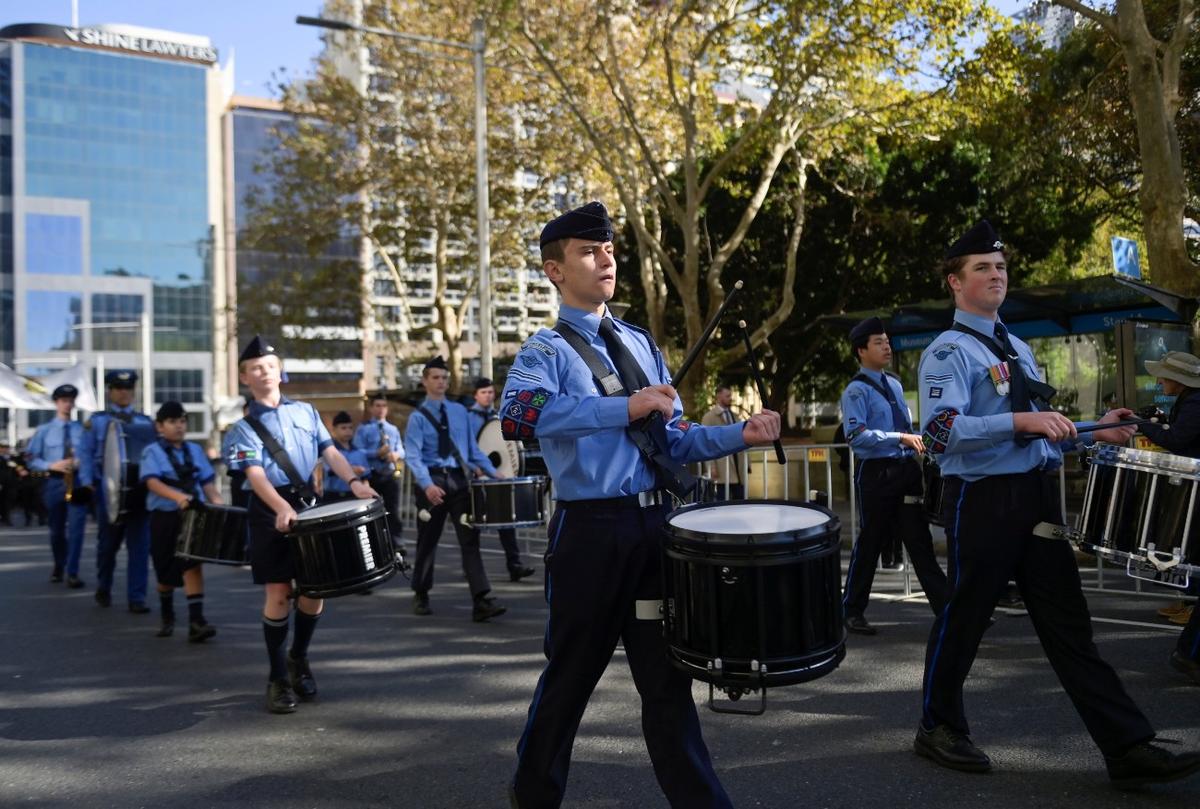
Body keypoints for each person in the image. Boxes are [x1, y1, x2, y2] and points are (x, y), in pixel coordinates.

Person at [503, 201, 782, 809]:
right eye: (587, 252)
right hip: (592, 533)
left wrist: (742, 435)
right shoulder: (545, 351)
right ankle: (535, 797)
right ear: (555, 270)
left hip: (657, 529)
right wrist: (621, 408)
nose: (604, 259)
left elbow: (675, 439)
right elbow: (519, 417)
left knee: (667, 684)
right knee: (570, 680)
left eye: (608, 251)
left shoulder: (639, 342)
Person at [914, 219, 1200, 786]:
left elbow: (1042, 433)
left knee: (1070, 626)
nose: (996, 275)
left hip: (1036, 499)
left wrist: (1097, 431)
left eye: (1000, 267)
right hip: (984, 499)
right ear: (955, 282)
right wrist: (1021, 418)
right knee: (965, 618)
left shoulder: (1016, 346)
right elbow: (941, 431)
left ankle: (1127, 747)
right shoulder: (946, 351)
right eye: (981, 268)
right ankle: (937, 726)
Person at [225, 335, 379, 714]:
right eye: (256, 368)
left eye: (270, 366)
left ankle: (299, 657)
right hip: (269, 508)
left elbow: (331, 454)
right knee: (278, 592)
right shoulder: (243, 428)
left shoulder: (307, 412)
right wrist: (279, 507)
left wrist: (356, 483)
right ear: (245, 377)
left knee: (315, 589)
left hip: (308, 504)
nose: (264, 373)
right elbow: (255, 473)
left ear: (281, 372)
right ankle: (277, 678)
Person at [839, 317, 947, 635]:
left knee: (920, 542)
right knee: (870, 543)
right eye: (878, 342)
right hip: (878, 474)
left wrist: (919, 440)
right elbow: (856, 436)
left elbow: (907, 427)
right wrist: (899, 438)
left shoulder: (895, 385)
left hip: (905, 472)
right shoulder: (856, 390)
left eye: (887, 341)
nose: (887, 346)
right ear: (861, 351)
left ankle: (949, 611)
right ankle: (851, 610)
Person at [404, 357, 507, 621]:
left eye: (444, 378)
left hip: (459, 480)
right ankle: (421, 592)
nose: (441, 382)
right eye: (435, 377)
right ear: (425, 381)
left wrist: (496, 474)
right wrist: (426, 485)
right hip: (433, 479)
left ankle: (481, 599)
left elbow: (472, 450)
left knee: (470, 540)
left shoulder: (459, 412)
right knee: (428, 540)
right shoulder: (417, 417)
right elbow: (413, 456)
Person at [1138, 351, 1200, 686]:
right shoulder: (1191, 401)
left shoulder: (1195, 403)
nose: (1159, 381)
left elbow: (1177, 440)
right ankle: (1189, 654)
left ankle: (1189, 654)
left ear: (1180, 379)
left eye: (1163, 376)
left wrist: (1144, 424)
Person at [140, 401, 222, 641]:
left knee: (193, 564)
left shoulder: (195, 451)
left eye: (182, 421)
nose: (179, 426)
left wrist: (219, 505)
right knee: (165, 570)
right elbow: (152, 482)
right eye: (172, 422)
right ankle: (167, 617)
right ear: (159, 426)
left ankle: (197, 622)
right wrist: (179, 498)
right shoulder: (152, 451)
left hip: (193, 515)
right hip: (164, 516)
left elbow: (207, 483)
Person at [78, 370, 157, 613]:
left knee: (140, 547)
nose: (124, 392)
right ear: (110, 391)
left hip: (139, 493)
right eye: (119, 388)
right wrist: (87, 481)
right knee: (107, 546)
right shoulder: (98, 421)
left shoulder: (146, 422)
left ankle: (137, 597)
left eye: (128, 388)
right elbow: (85, 453)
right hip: (108, 491)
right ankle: (104, 585)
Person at [466, 376, 536, 582]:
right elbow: (464, 447)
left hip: (498, 476)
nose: (488, 396)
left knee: (507, 521)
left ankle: (514, 565)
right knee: (472, 525)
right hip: (475, 476)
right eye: (483, 393)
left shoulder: (498, 417)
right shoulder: (468, 419)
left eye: (490, 392)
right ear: (475, 395)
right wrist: (474, 468)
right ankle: (471, 567)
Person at [26, 384, 89, 587]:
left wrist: (80, 462)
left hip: (77, 482)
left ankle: (73, 571)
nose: (68, 405)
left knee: (77, 529)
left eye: (71, 401)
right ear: (56, 402)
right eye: (64, 401)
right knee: (56, 530)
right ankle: (59, 564)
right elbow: (31, 459)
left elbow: (90, 455)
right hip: (54, 482)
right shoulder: (44, 431)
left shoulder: (81, 429)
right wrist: (51, 465)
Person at [352, 394, 404, 542]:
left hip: (389, 473)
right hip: (372, 475)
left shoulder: (392, 429)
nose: (381, 409)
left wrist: (395, 454)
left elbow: (401, 449)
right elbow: (358, 451)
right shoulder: (364, 429)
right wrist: (376, 453)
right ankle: (376, 541)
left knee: (393, 510)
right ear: (371, 408)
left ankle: (396, 543)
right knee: (372, 510)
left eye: (384, 406)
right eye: (378, 406)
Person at [701, 385, 745, 499]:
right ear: (718, 396)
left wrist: (747, 464)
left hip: (738, 466)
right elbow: (706, 443)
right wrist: (711, 467)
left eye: (730, 396)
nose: (730, 398)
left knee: (740, 500)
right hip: (722, 468)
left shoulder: (735, 416)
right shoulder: (709, 417)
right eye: (727, 396)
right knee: (722, 500)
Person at [319, 411, 370, 503]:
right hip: (334, 495)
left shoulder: (359, 452)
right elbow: (331, 471)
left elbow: (365, 477)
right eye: (343, 428)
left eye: (350, 428)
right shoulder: (329, 451)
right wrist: (352, 470)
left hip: (354, 494)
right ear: (334, 430)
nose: (348, 431)